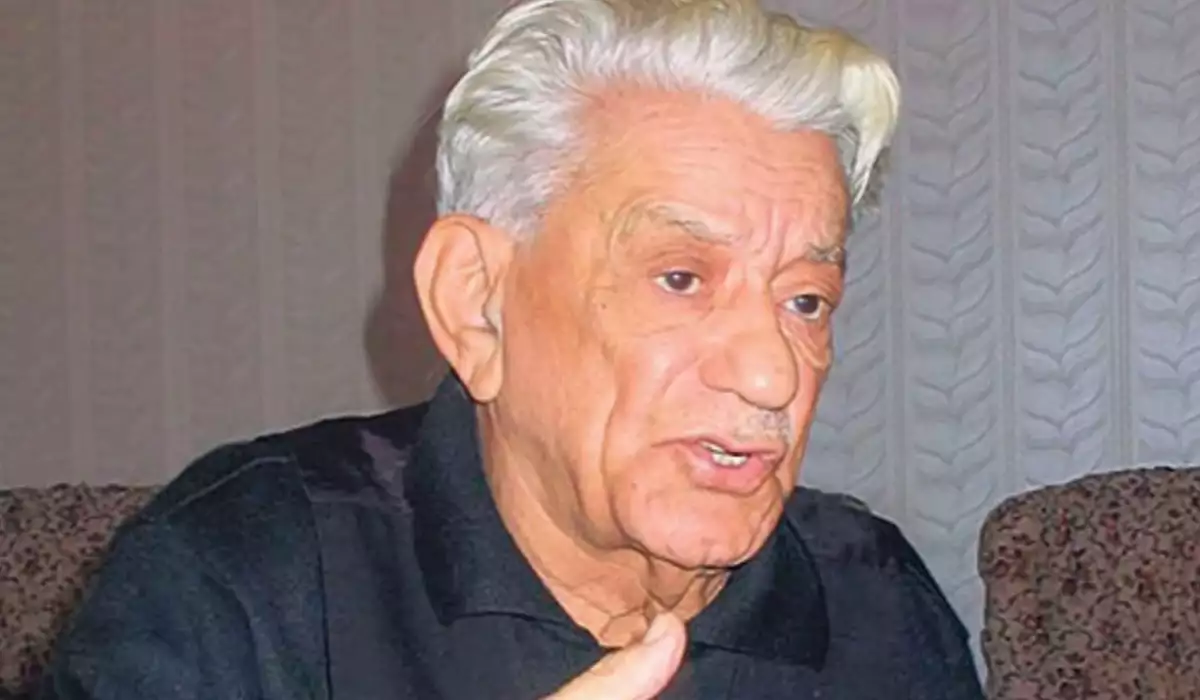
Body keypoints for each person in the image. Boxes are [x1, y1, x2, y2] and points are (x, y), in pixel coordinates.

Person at [40, 0, 984, 698]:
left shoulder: (874, 600)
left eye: (806, 300)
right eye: (680, 278)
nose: (772, 373)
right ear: (477, 304)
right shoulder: (246, 576)